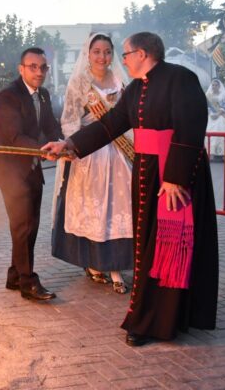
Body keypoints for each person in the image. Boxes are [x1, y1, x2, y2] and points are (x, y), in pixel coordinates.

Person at [43, 32, 218, 347]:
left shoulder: (180, 78)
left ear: (142, 54)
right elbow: (109, 125)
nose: (121, 60)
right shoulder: (136, 88)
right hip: (147, 173)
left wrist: (175, 177)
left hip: (175, 177)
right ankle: (156, 315)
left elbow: (191, 127)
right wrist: (69, 144)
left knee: (168, 246)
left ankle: (158, 319)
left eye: (125, 54)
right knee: (148, 245)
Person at [51, 33, 133, 294]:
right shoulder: (79, 82)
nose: (102, 57)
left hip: (118, 152)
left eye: (107, 51)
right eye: (96, 51)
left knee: (118, 207)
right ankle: (94, 263)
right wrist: (74, 145)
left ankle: (115, 265)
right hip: (89, 153)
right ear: (87, 54)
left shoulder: (120, 80)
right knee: (93, 208)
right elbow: (69, 119)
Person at [0, 47, 63, 301]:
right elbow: (14, 137)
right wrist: (44, 151)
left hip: (31, 168)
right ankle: (28, 282)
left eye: (43, 67)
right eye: (33, 67)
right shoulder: (7, 97)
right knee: (23, 226)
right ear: (21, 69)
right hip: (10, 170)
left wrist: (64, 144)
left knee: (31, 224)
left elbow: (50, 126)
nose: (39, 72)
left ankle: (15, 275)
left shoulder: (43, 95)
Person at [205, 78, 225, 158]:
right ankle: (211, 152)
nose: (214, 87)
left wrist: (218, 114)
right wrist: (211, 113)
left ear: (219, 86)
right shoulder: (208, 95)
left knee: (221, 132)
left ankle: (223, 152)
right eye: (213, 85)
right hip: (211, 115)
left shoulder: (224, 95)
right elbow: (207, 106)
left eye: (216, 85)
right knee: (211, 133)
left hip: (222, 115)